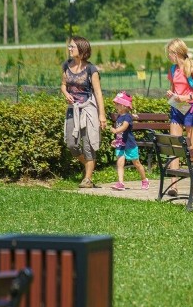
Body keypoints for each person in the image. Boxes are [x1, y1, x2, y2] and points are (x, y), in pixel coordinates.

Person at [61, 36, 107, 188]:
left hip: (88, 108)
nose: (69, 49)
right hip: (72, 109)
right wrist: (66, 94)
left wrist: (102, 115)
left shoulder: (91, 69)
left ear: (81, 49)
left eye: (72, 46)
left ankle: (87, 178)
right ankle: (89, 165)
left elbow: (98, 93)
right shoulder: (66, 66)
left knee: (88, 144)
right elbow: (63, 85)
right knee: (71, 143)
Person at [165, 38, 193, 196]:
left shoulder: (191, 67)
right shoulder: (172, 70)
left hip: (190, 109)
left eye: (169, 53)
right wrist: (171, 94)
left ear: (175, 53)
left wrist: (187, 97)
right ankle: (173, 185)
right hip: (177, 109)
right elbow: (173, 89)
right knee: (175, 146)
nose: (168, 57)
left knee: (191, 149)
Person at [109, 91, 149, 191]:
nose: (115, 106)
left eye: (117, 104)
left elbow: (124, 127)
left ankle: (144, 180)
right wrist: (116, 140)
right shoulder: (119, 117)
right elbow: (120, 133)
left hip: (130, 145)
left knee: (136, 163)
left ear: (123, 106)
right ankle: (120, 183)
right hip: (121, 144)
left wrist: (115, 130)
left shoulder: (127, 117)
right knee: (120, 163)